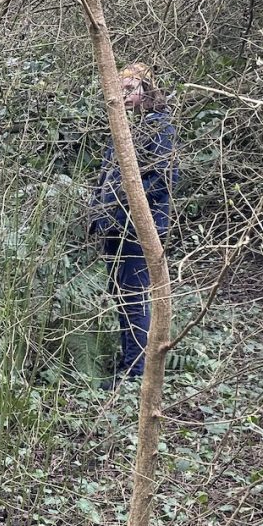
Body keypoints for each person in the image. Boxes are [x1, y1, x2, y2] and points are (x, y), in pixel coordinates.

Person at [89, 63, 179, 388]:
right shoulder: (126, 126)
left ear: (146, 89)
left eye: (130, 89)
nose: (124, 96)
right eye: (120, 90)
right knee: (122, 295)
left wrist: (124, 206)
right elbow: (107, 176)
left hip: (139, 230)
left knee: (134, 297)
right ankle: (131, 363)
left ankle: (135, 375)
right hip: (114, 227)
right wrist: (98, 215)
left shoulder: (159, 127)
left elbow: (164, 178)